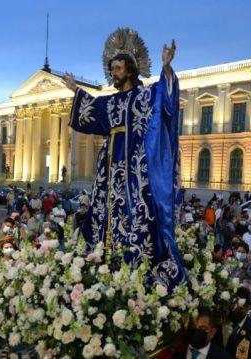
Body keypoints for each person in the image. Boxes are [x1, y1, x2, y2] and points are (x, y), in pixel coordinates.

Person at [62, 37, 186, 288]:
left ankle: (139, 261)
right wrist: (75, 90)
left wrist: (166, 68)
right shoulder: (109, 101)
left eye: (118, 68)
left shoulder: (144, 95)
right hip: (110, 163)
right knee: (104, 206)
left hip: (135, 164)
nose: (113, 73)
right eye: (112, 69)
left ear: (130, 70)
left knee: (139, 208)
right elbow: (92, 109)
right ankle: (101, 257)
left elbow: (166, 97)